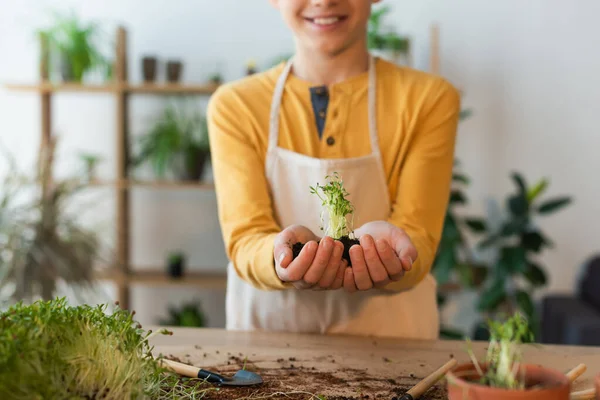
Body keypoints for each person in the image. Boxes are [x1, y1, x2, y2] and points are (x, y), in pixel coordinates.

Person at [206, 0, 461, 339]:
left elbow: (419, 236)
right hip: (269, 349)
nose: (324, 1)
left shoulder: (429, 99)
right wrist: (281, 256)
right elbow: (245, 240)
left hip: (394, 348)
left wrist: (395, 257)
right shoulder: (236, 106)